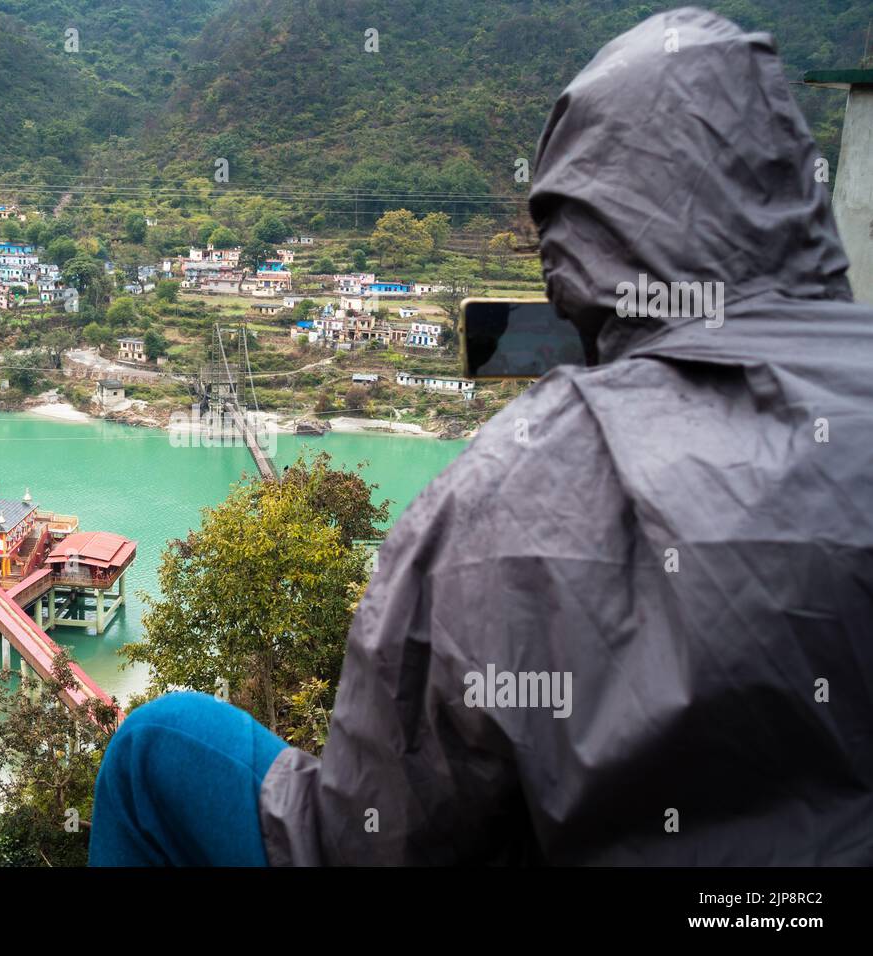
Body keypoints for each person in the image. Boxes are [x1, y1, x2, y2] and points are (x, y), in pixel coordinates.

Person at [90, 8, 873, 866]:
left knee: (155, 746)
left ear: (577, 236)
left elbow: (370, 839)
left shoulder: (517, 487)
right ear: (799, 187)